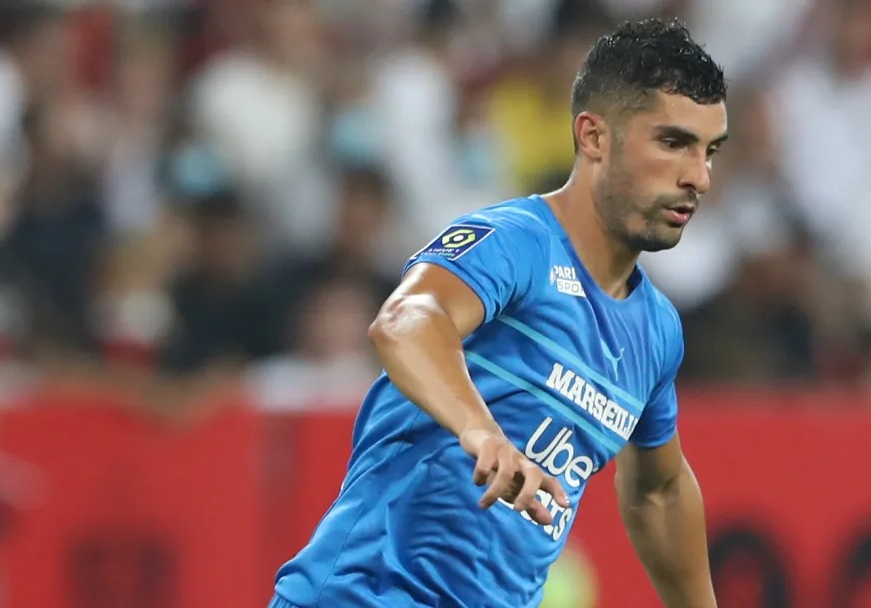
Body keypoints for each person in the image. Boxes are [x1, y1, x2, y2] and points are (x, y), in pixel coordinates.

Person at [272, 17, 728, 608]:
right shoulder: (516, 242)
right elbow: (408, 320)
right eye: (673, 143)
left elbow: (658, 492)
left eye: (709, 151)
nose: (698, 177)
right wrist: (481, 431)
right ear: (594, 137)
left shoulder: (657, 331)